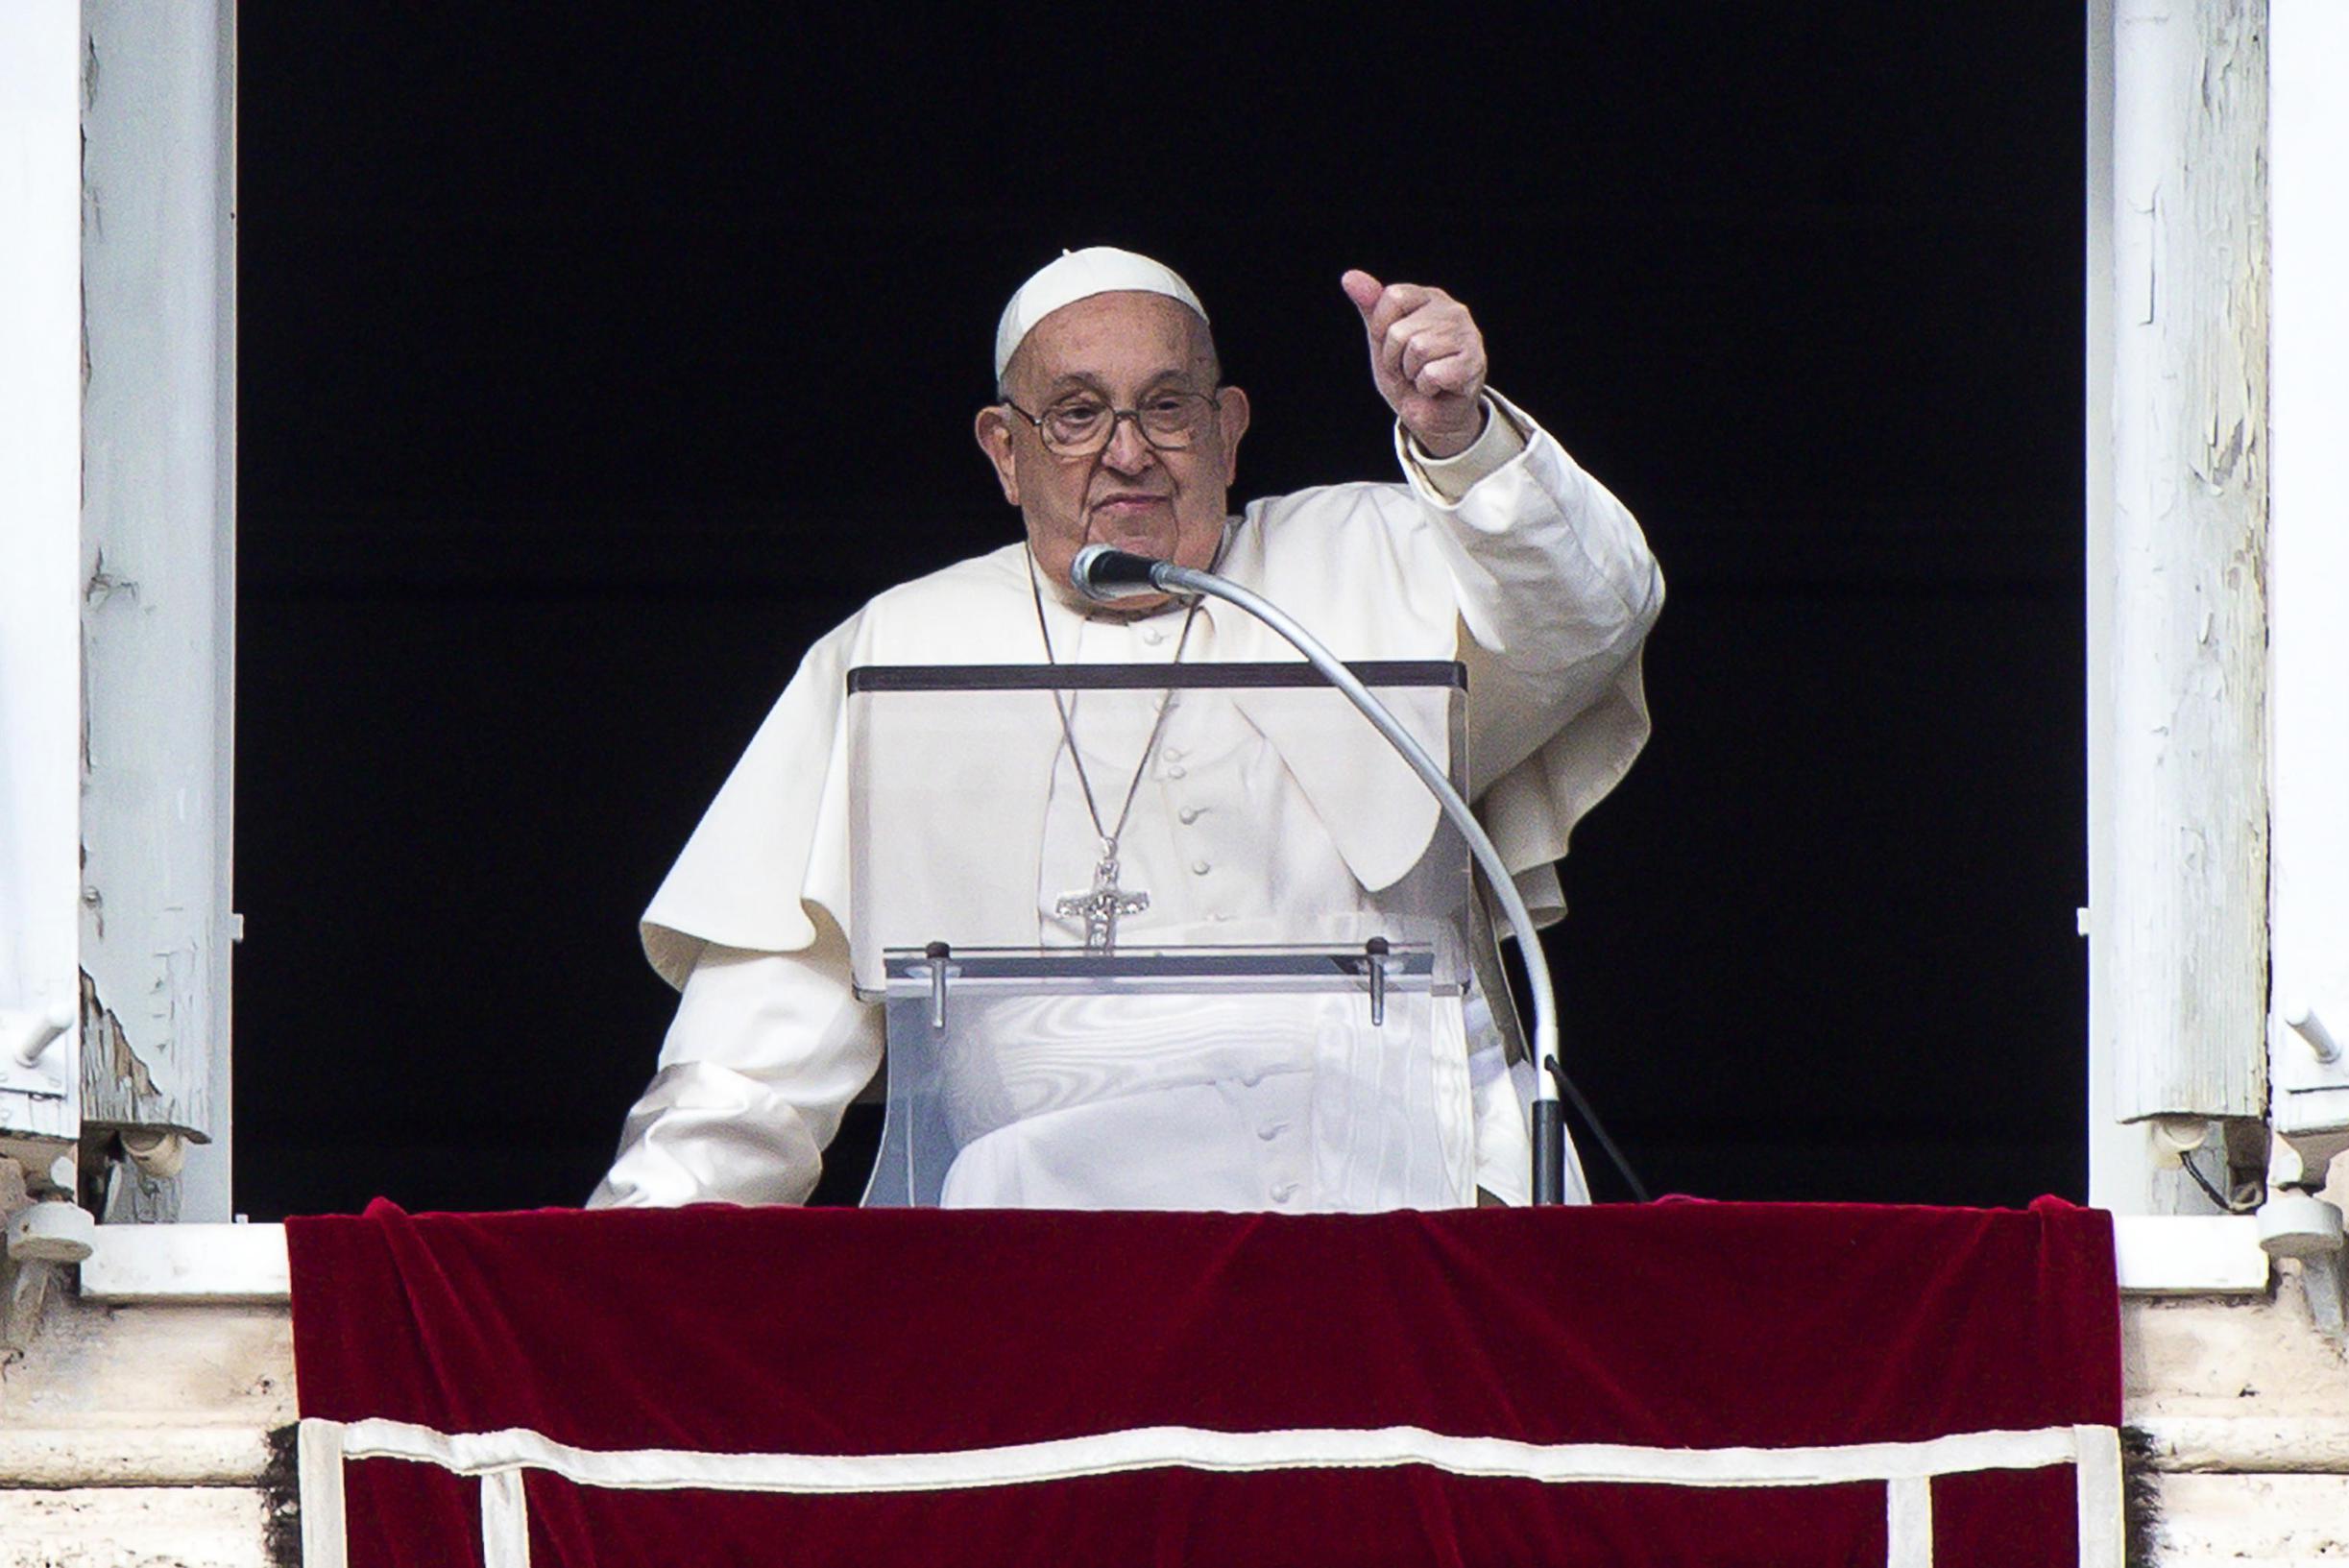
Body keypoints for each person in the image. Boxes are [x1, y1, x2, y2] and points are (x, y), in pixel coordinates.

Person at [589, 247, 1661, 1213]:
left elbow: (1592, 613)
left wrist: (1460, 438)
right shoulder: (898, 648)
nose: (1128, 452)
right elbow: (756, 1054)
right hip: (1065, 1254)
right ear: (1004, 451)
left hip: (1412, 1203)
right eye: (1074, 413)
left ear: (1229, 429)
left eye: (1166, 407)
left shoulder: (1368, 550)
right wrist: (631, 1266)